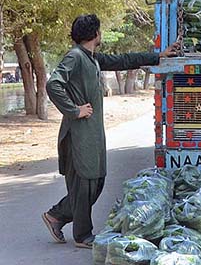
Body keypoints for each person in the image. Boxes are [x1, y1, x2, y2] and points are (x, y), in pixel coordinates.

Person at [41, 14, 178, 248]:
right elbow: (53, 84)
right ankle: (82, 234)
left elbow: (123, 60)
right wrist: (74, 110)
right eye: (100, 31)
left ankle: (56, 215)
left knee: (97, 181)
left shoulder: (91, 57)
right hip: (78, 133)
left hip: (92, 133)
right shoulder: (75, 57)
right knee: (84, 183)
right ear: (95, 34)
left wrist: (158, 56)